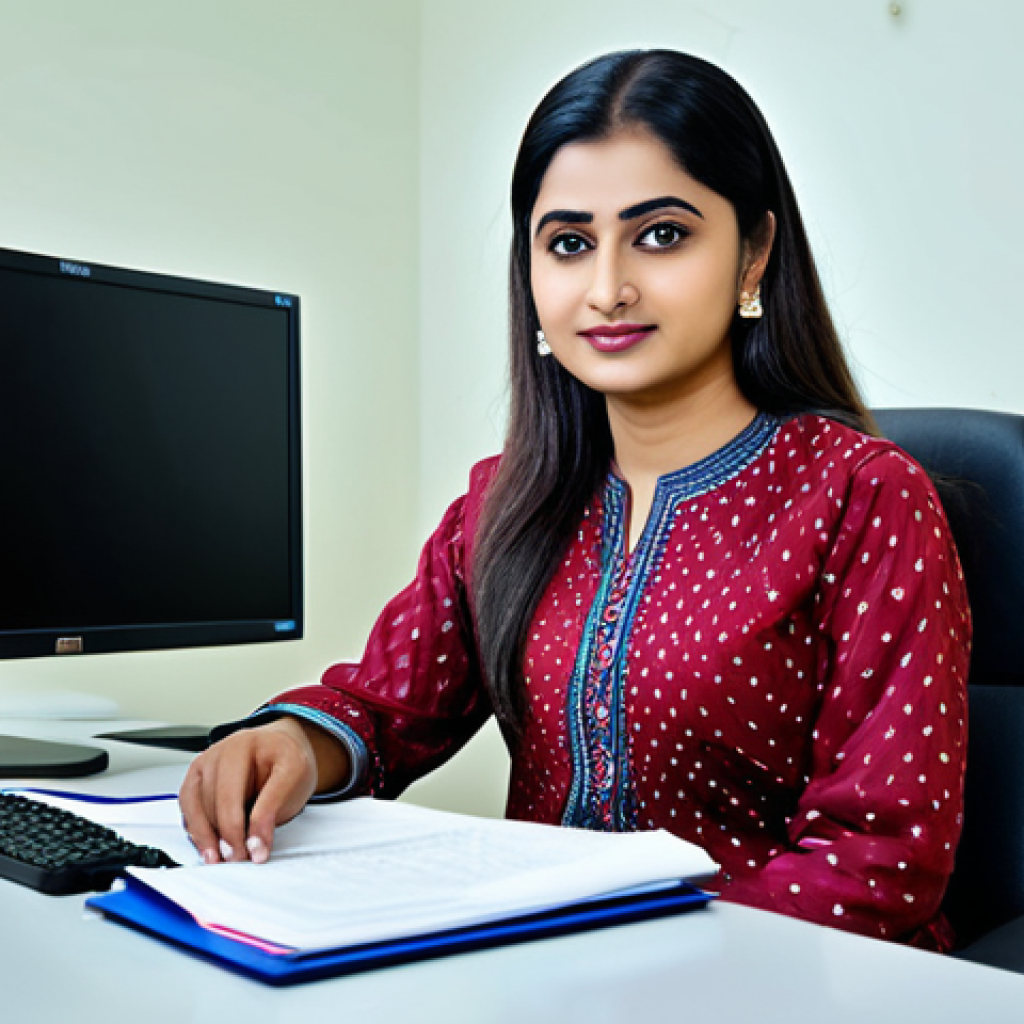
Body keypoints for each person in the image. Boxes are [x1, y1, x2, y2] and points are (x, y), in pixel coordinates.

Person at [179, 49, 970, 950]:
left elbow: (878, 860)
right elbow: (386, 711)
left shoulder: (864, 495)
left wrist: (644, 965)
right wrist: (293, 743)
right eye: (568, 243)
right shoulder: (505, 500)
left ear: (754, 254)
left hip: (780, 980)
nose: (607, 290)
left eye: (661, 235)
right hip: (546, 970)